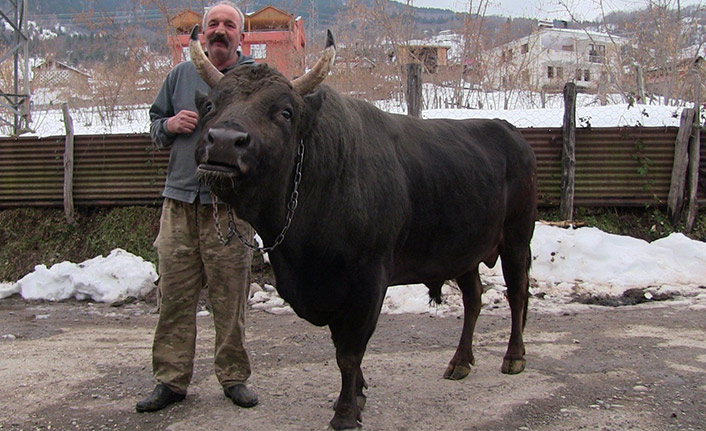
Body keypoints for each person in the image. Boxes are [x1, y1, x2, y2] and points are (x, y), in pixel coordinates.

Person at [136, 1, 258, 413]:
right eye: (213, 24)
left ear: (242, 36)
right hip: (178, 202)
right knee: (174, 297)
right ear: (202, 33)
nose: (220, 30)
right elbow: (154, 126)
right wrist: (168, 126)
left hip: (230, 208)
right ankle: (170, 381)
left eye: (229, 24)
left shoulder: (255, 79)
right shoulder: (179, 75)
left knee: (231, 298)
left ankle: (234, 377)